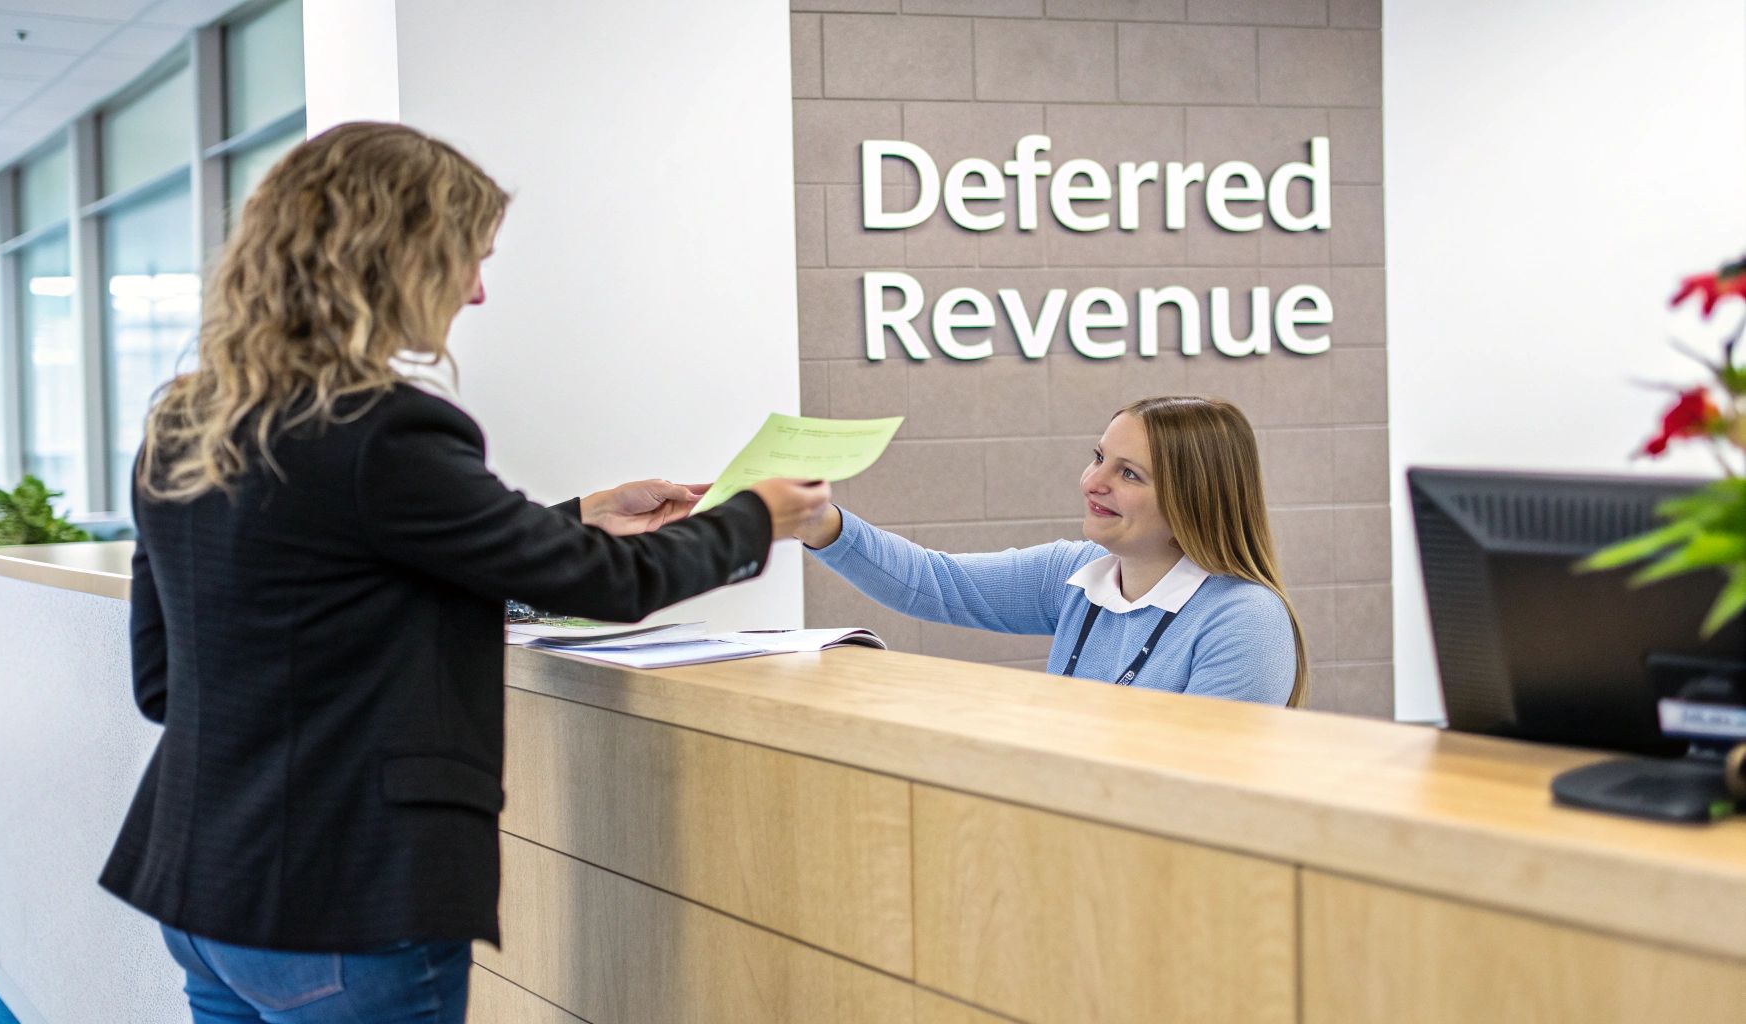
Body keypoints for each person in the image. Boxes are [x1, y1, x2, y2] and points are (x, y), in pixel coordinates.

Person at [99, 122, 831, 1023]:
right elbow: (609, 585)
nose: (477, 291)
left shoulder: (188, 424)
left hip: (205, 887)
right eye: (469, 259)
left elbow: (167, 675)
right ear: (394, 256)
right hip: (346, 901)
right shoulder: (384, 430)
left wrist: (575, 517)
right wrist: (755, 517)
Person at [798, 395, 1305, 707]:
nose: (1092, 482)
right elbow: (935, 584)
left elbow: (1201, 788)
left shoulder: (1244, 619)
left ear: (1194, 499)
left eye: (1129, 474)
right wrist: (819, 523)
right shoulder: (1079, 572)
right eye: (1099, 458)